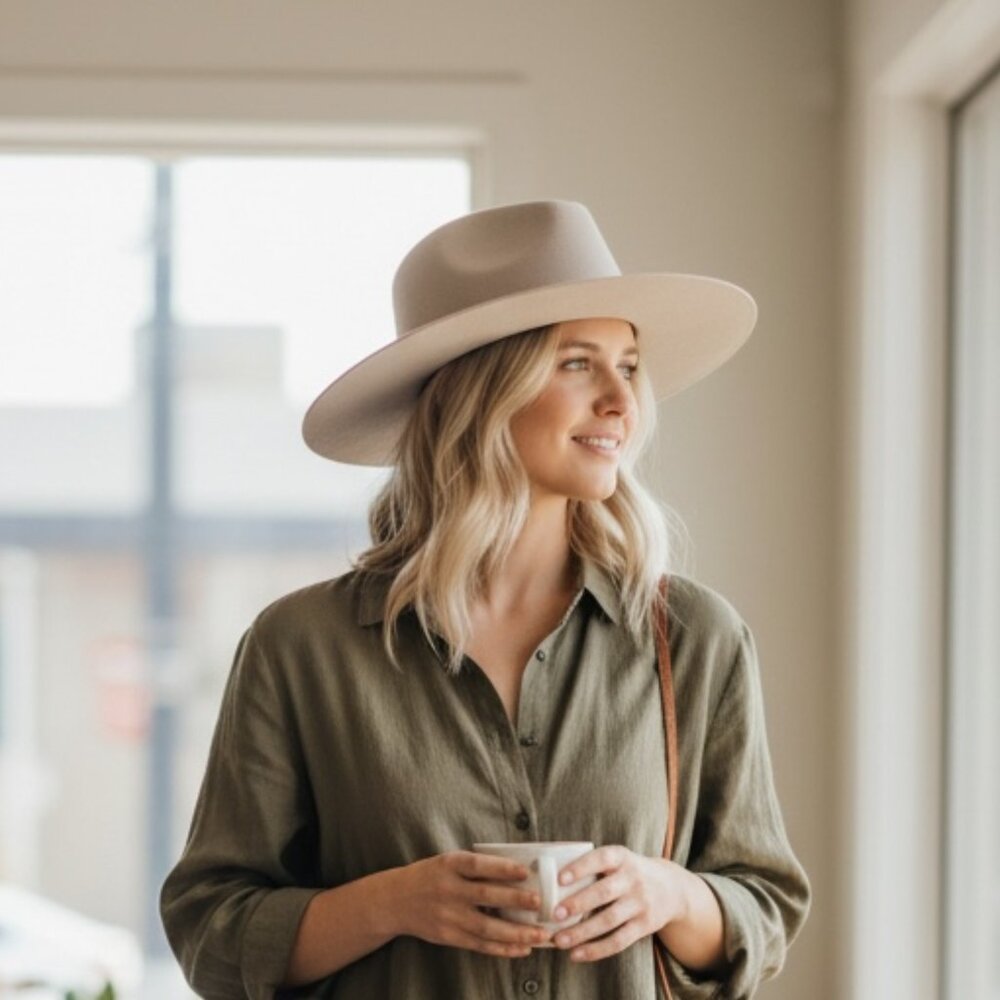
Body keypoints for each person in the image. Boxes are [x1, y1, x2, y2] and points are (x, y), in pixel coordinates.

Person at [160, 199, 811, 999]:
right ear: (481, 391)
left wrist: (669, 893)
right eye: (578, 363)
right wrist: (393, 903)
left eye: (630, 366)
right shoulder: (301, 646)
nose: (622, 401)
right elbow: (212, 931)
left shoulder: (694, 638)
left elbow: (766, 908)